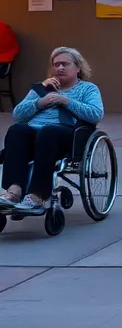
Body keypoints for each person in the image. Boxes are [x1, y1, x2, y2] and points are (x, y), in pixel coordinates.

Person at [1, 47, 104, 214]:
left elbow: (95, 114)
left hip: (67, 134)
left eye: (65, 64)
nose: (60, 68)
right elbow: (18, 115)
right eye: (56, 64)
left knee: (48, 132)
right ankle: (14, 191)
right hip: (36, 133)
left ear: (78, 68)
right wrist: (39, 102)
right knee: (17, 130)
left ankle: (37, 195)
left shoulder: (88, 89)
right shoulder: (41, 88)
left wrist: (66, 101)